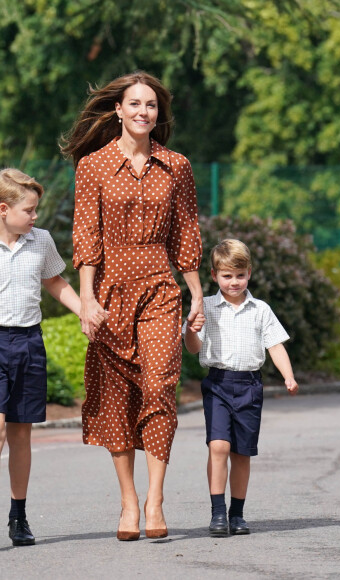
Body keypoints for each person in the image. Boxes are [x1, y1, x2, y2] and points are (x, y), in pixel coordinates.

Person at [60, 71, 203, 541]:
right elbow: (86, 237)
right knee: (117, 396)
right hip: (109, 290)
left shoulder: (176, 165)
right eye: (135, 104)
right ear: (118, 110)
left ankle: (155, 498)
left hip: (162, 287)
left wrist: (197, 292)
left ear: (158, 115)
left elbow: (185, 233)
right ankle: (127, 502)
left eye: (152, 106)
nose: (144, 112)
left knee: (160, 384)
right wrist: (86, 300)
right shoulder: (93, 167)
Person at [183, 239, 299, 536]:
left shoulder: (260, 310)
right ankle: (218, 513)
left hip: (249, 385)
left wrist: (288, 375)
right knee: (218, 446)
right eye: (226, 276)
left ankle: (237, 513)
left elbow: (275, 345)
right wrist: (192, 330)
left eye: (240, 275)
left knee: (242, 453)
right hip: (218, 383)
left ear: (249, 273)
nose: (234, 282)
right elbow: (193, 347)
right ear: (214, 275)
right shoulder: (205, 307)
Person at [0, 168, 86, 546]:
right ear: (3, 209)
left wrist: (84, 309)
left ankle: (18, 516)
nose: (35, 216)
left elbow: (54, 281)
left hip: (30, 342)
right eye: (29, 210)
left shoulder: (41, 240)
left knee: (21, 433)